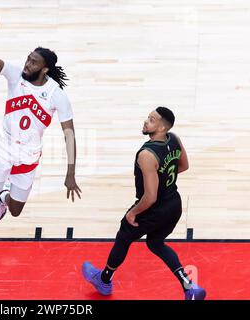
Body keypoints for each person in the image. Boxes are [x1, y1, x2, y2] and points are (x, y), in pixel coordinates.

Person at [0, 14, 82, 258]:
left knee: (15, 210)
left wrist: (70, 173)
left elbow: (69, 134)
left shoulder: (56, 95)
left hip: (29, 154)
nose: (27, 64)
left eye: (33, 62)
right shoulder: (15, 74)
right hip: (3, 148)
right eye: (28, 58)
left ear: (45, 68)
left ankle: (5, 197)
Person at [82, 107, 206, 300]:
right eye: (148, 117)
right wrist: (162, 178)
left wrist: (133, 212)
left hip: (154, 209)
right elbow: (184, 166)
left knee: (124, 236)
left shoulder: (147, 155)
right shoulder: (174, 139)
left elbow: (150, 197)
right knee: (155, 243)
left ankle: (104, 280)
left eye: (152, 119)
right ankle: (189, 287)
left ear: (162, 127)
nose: (146, 121)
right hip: (174, 204)